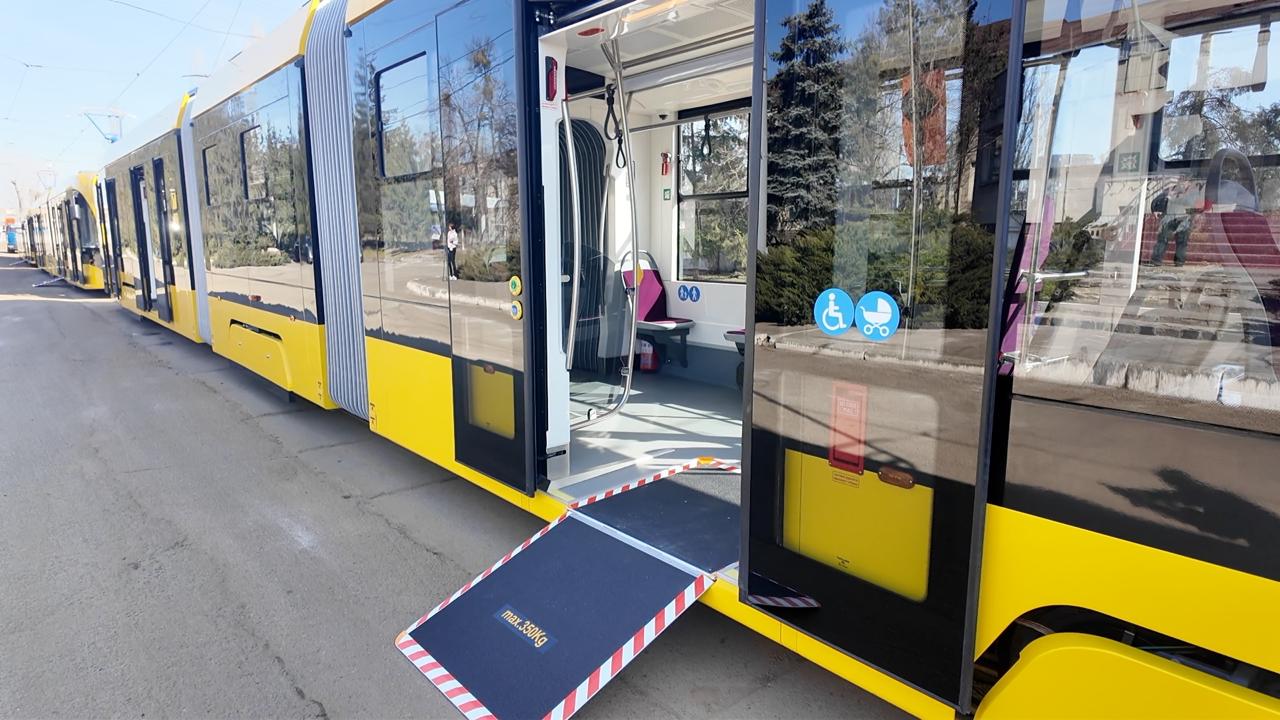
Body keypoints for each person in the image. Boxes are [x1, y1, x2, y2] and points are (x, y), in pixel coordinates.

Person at [1150, 178, 1197, 267]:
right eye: (1181, 181)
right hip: (1169, 218)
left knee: (1182, 242)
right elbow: (1156, 200)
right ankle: (1156, 260)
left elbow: (1190, 202)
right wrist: (1154, 209)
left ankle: (1179, 261)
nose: (1182, 184)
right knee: (1162, 240)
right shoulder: (1170, 189)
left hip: (1184, 220)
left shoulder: (1193, 192)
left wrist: (1173, 198)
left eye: (1185, 181)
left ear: (1189, 183)